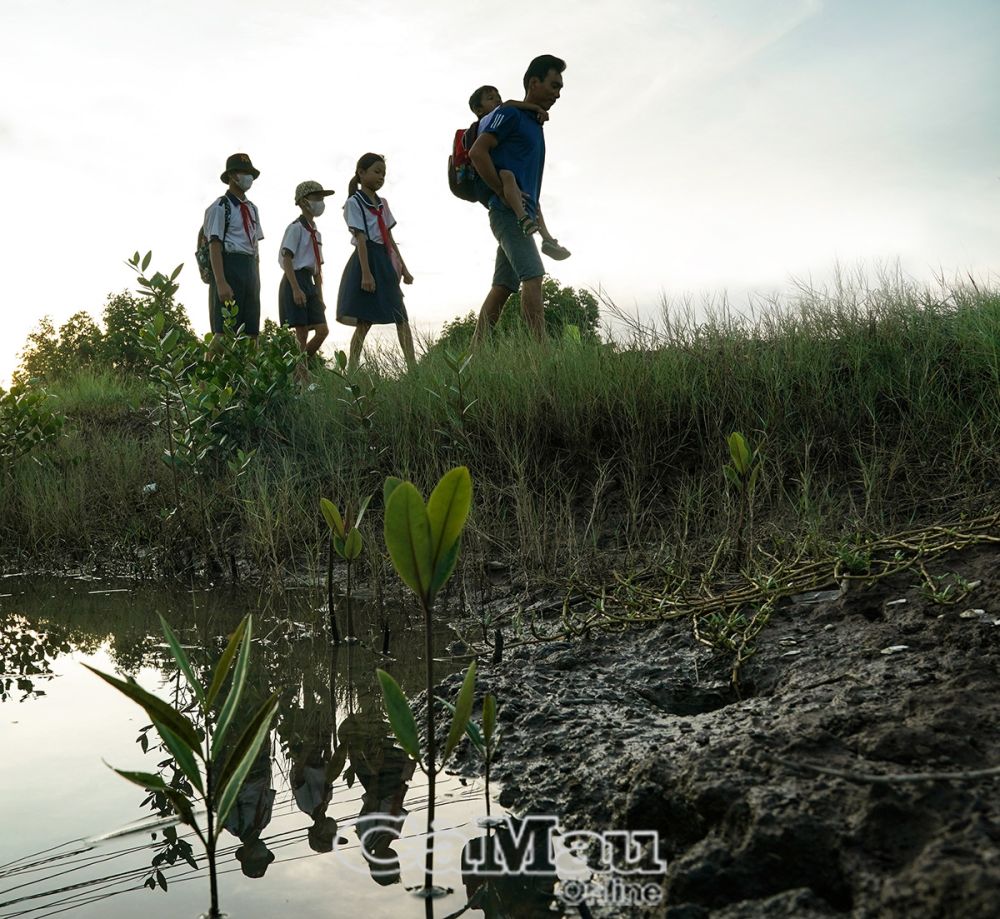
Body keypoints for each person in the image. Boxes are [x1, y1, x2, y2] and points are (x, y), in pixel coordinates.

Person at [469, 55, 566, 346]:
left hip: (519, 212)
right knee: (533, 276)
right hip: (507, 213)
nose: (557, 93)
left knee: (502, 286)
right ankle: (541, 355)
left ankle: (475, 353)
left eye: (560, 88)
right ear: (533, 83)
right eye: (553, 85)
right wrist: (500, 190)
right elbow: (477, 152)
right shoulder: (510, 115)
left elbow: (528, 187)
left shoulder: (534, 123)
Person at [467, 85, 570, 261]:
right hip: (499, 178)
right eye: (491, 98)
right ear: (478, 110)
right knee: (508, 177)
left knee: (532, 201)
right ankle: (523, 218)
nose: (498, 100)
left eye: (498, 96)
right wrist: (535, 108)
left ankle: (547, 239)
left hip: (508, 184)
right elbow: (509, 104)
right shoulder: (489, 119)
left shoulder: (496, 116)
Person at [335, 153, 415, 372]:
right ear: (361, 173)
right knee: (365, 320)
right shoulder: (354, 203)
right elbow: (361, 238)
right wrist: (366, 274)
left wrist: (404, 268)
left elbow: (389, 238)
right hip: (366, 259)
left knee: (401, 315)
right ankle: (351, 369)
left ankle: (413, 368)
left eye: (384, 174)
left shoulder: (383, 204)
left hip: (384, 259)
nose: (381, 177)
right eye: (376, 172)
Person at [203, 153, 264, 338]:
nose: (248, 178)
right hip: (229, 265)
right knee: (224, 332)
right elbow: (214, 245)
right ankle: (209, 366)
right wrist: (221, 282)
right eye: (243, 172)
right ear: (231, 175)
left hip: (249, 268)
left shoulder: (253, 209)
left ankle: (248, 368)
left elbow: (255, 246)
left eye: (250, 173)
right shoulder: (220, 207)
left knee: (251, 332)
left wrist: (256, 279)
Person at [279, 180, 335, 363]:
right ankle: (301, 376)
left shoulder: (316, 234)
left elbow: (318, 269)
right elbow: (286, 258)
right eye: (316, 198)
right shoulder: (295, 228)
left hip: (310, 280)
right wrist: (295, 288)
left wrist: (320, 296)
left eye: (322, 198)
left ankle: (296, 366)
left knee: (322, 330)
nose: (320, 202)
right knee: (301, 332)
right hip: (294, 278)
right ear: (303, 202)